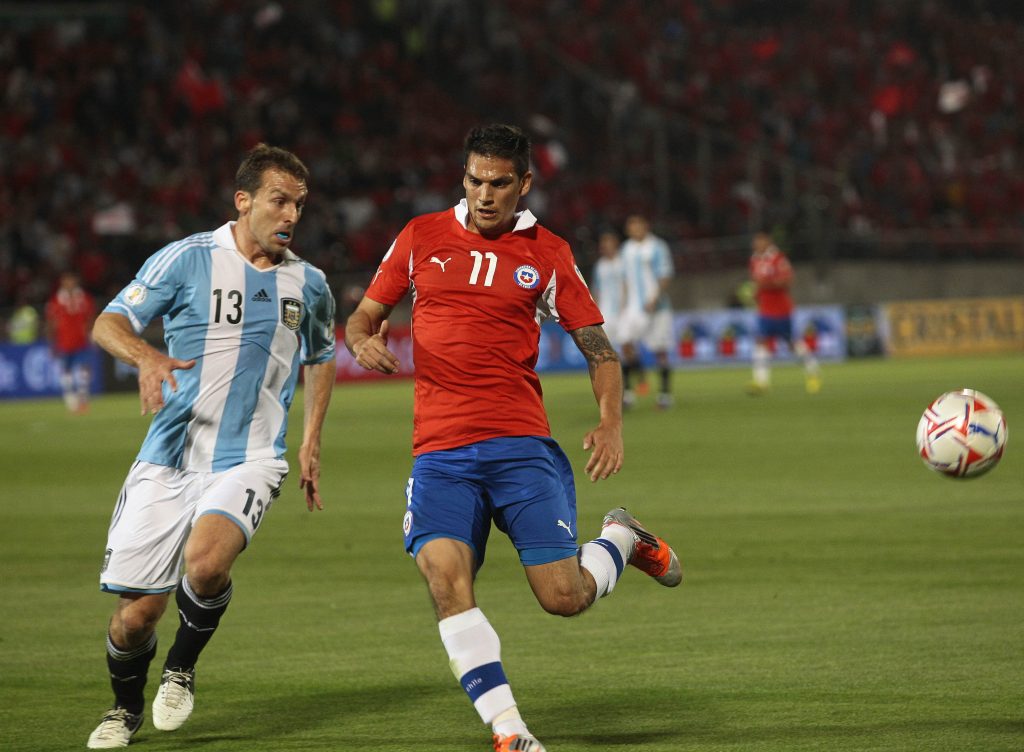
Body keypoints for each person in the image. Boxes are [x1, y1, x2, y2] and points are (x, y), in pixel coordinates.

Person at [345, 124, 681, 752]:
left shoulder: (548, 254)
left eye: (500, 183)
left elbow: (599, 349)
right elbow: (365, 314)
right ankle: (510, 732)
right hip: (441, 453)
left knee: (563, 597)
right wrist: (363, 339)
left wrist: (611, 420)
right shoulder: (421, 237)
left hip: (521, 446)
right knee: (445, 577)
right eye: (475, 181)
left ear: (524, 184)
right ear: (463, 179)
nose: (485, 194)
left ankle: (621, 539)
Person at [85, 144, 337, 749]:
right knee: (133, 617)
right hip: (169, 457)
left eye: (299, 205)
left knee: (206, 562)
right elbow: (108, 322)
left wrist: (310, 441)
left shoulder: (310, 283)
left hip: (252, 455)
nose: (291, 215)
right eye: (280, 201)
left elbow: (322, 354)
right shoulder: (187, 259)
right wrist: (146, 355)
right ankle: (125, 709)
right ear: (243, 201)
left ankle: (181, 668)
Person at [747, 231, 821, 394]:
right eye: (755, 241)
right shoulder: (754, 260)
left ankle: (812, 369)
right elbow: (756, 283)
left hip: (781, 309)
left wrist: (764, 285)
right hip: (765, 309)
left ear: (768, 242)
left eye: (760, 241)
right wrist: (756, 294)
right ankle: (761, 382)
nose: (756, 244)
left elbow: (787, 281)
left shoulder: (778, 258)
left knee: (790, 343)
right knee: (761, 341)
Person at [619, 214, 675, 409]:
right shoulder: (626, 249)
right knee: (625, 344)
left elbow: (665, 275)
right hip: (634, 308)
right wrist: (624, 303)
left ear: (645, 226)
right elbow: (625, 278)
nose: (635, 229)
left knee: (660, 350)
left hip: (657, 308)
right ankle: (629, 392)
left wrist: (655, 298)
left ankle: (665, 396)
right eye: (631, 226)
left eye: (638, 225)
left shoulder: (657, 246)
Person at [45, 271, 96, 412]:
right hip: (64, 341)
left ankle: (83, 397)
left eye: (72, 280)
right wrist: (52, 342)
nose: (69, 283)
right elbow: (50, 322)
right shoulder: (56, 300)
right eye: (67, 280)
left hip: (81, 340)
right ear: (62, 282)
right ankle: (69, 397)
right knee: (66, 370)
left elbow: (90, 319)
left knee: (84, 368)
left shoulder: (85, 298)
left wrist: (91, 335)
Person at [590, 229, 627, 357]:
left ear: (615, 243)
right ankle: (615, 376)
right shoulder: (599, 266)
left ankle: (639, 376)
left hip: (623, 311)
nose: (605, 246)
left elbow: (628, 285)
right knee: (606, 348)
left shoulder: (623, 262)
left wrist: (626, 305)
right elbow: (596, 290)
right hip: (605, 312)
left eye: (608, 242)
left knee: (627, 345)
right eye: (603, 243)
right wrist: (596, 311)